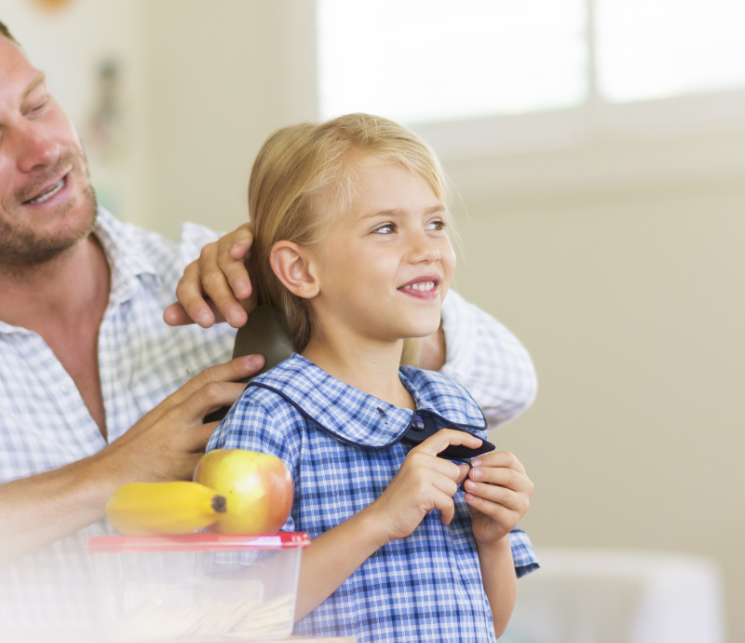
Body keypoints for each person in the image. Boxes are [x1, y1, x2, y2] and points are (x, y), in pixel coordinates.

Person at [0, 0, 538, 631]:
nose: (43, 150)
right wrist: (106, 477)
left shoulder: (221, 283)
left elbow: (507, 381)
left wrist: (315, 287)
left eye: (37, 104)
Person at [206, 114, 537, 642]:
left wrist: (493, 538)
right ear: (300, 270)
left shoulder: (452, 408)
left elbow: (486, 624)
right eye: (386, 228)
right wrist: (379, 519)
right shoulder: (270, 417)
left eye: (435, 224)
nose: (427, 248)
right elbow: (227, 618)